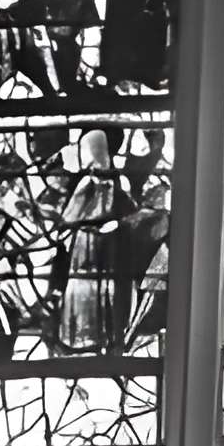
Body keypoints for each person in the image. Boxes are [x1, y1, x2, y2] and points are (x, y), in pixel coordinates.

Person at [57, 129, 134, 350]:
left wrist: (117, 224)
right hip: (96, 244)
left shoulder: (108, 182)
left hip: (99, 244)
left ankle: (94, 338)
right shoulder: (100, 182)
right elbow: (70, 217)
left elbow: (130, 214)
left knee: (99, 287)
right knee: (92, 286)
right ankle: (92, 338)